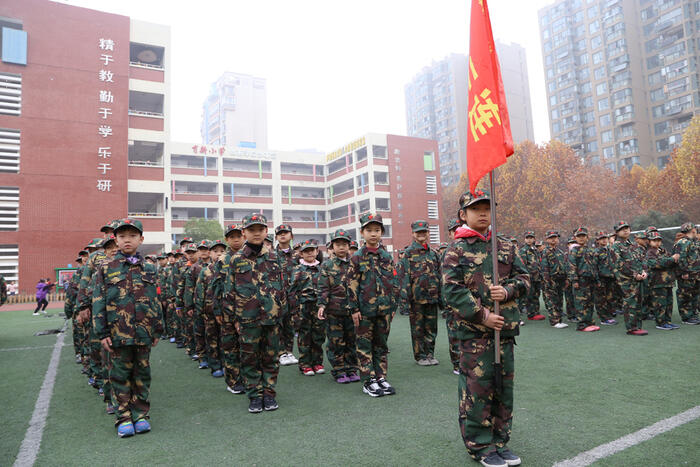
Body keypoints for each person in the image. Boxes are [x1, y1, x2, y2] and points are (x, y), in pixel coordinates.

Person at [442, 189, 529, 467]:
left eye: (487, 208)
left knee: (503, 388)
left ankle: (500, 441)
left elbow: (526, 278)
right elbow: (452, 292)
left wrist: (508, 290)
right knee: (476, 389)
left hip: (504, 332)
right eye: (476, 208)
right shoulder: (456, 250)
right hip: (474, 334)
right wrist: (483, 316)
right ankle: (480, 446)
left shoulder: (505, 246)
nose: (483, 213)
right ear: (463, 214)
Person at [92, 218, 163, 438]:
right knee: (120, 375)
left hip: (143, 333)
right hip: (118, 333)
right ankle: (123, 417)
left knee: (142, 374)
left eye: (132, 236)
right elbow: (98, 302)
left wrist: (157, 329)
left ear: (141, 239)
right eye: (122, 236)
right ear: (115, 239)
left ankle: (140, 414)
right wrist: (102, 333)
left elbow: (156, 299)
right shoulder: (106, 268)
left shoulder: (150, 268)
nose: (127, 240)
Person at [224, 213, 286, 413]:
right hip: (247, 318)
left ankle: (269, 393)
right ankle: (254, 395)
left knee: (271, 357)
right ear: (244, 233)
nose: (256, 233)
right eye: (252, 230)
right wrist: (234, 318)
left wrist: (281, 313)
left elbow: (284, 288)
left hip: (271, 317)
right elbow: (229, 291)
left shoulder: (275, 258)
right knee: (249, 358)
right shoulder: (236, 260)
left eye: (260, 229)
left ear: (266, 231)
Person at [348, 213, 398, 397]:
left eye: (377, 230)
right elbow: (351, 285)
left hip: (384, 310)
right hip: (364, 311)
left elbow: (393, 283)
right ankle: (368, 379)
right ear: (362, 233)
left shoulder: (386, 256)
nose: (373, 234)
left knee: (381, 344)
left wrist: (392, 308)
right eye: (369, 230)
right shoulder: (357, 258)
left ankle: (381, 376)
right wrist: (354, 309)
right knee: (364, 345)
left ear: (382, 232)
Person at [317, 229, 359, 384]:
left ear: (349, 246)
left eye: (344, 244)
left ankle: (352, 368)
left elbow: (360, 286)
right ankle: (339, 370)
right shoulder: (327, 266)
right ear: (332, 246)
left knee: (352, 340)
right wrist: (321, 305)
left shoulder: (355, 264)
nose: (341, 247)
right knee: (336, 342)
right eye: (338, 244)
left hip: (352, 310)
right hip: (334, 311)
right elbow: (323, 288)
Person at [398, 220, 442, 366]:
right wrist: (404, 301)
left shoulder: (434, 254)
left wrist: (441, 297)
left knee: (431, 328)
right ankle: (420, 356)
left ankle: (430, 354)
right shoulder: (408, 254)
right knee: (418, 329)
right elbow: (404, 278)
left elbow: (440, 275)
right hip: (416, 299)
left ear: (428, 233)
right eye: (418, 232)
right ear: (413, 234)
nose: (422, 234)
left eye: (424, 232)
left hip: (432, 297)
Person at [215, 224, 246, 395]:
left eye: (239, 236)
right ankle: (233, 381)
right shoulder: (222, 260)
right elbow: (216, 285)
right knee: (230, 346)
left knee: (248, 347)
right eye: (231, 236)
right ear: (227, 239)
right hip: (227, 310)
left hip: (247, 310)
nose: (236, 239)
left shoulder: (251, 257)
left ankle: (248, 378)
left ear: (244, 237)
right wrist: (217, 310)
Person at [289, 239, 325, 376]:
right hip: (303, 307)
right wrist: (294, 310)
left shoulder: (322, 269)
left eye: (312, 250)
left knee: (318, 335)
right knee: (304, 335)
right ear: (301, 254)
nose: (310, 253)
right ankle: (305, 364)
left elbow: (326, 288)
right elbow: (292, 291)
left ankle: (317, 362)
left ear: (317, 252)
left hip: (319, 307)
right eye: (306, 251)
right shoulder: (297, 269)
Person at [611, 221, 649, 335]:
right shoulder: (616, 246)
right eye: (622, 229)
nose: (626, 230)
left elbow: (643, 259)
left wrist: (644, 271)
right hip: (627, 279)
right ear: (617, 232)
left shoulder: (634, 245)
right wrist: (634, 274)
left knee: (638, 302)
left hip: (639, 278)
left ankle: (638, 326)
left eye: (627, 228)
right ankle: (631, 328)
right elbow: (618, 263)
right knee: (630, 302)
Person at [275, 224, 299, 366]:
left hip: (293, 295)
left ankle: (289, 351)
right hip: (277, 295)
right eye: (280, 234)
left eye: (286, 233)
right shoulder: (271, 254)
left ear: (291, 236)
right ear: (276, 237)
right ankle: (280, 352)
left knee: (290, 324)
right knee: (278, 324)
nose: (283, 235)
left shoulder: (297, 255)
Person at [645, 231, 680, 330]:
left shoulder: (662, 250)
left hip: (668, 281)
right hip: (657, 283)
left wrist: (674, 260)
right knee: (660, 303)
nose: (657, 242)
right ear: (649, 242)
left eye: (659, 240)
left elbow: (670, 261)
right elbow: (655, 264)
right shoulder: (649, 253)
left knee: (669, 303)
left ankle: (667, 321)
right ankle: (660, 323)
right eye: (654, 240)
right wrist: (672, 259)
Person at [568, 227, 600, 332]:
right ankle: (581, 324)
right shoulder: (574, 250)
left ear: (587, 237)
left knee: (590, 302)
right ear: (575, 238)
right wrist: (574, 280)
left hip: (590, 280)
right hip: (580, 280)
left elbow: (595, 266)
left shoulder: (591, 250)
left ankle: (589, 321)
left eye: (583, 236)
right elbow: (572, 266)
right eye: (579, 236)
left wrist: (597, 280)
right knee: (581, 303)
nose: (581, 238)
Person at [540, 230, 568, 329]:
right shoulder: (545, 252)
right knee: (551, 301)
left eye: (555, 237)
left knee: (559, 300)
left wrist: (566, 279)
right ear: (547, 239)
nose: (553, 239)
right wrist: (547, 281)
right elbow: (544, 268)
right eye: (551, 238)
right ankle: (554, 321)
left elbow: (564, 266)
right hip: (550, 279)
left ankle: (559, 319)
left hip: (560, 280)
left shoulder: (559, 252)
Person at [673, 222, 699, 324]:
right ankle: (686, 317)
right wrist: (684, 272)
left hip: (695, 274)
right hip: (687, 274)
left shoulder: (693, 242)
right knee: (685, 295)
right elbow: (681, 258)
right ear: (693, 230)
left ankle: (693, 314)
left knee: (694, 295)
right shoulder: (682, 242)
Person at [592, 231, 617, 326]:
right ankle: (604, 318)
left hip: (611, 278)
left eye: (605, 238)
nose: (604, 240)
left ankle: (609, 315)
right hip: (601, 279)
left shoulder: (610, 250)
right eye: (601, 238)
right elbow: (594, 267)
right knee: (601, 300)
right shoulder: (596, 252)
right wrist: (597, 280)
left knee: (610, 298)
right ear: (597, 240)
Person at [518, 231, 544, 321]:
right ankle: (531, 314)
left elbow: (538, 263)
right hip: (529, 277)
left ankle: (536, 312)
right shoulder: (523, 250)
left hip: (537, 277)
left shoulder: (535, 249)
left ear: (534, 239)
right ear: (525, 239)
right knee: (529, 296)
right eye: (527, 238)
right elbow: (522, 265)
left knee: (536, 294)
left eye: (531, 238)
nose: (529, 240)